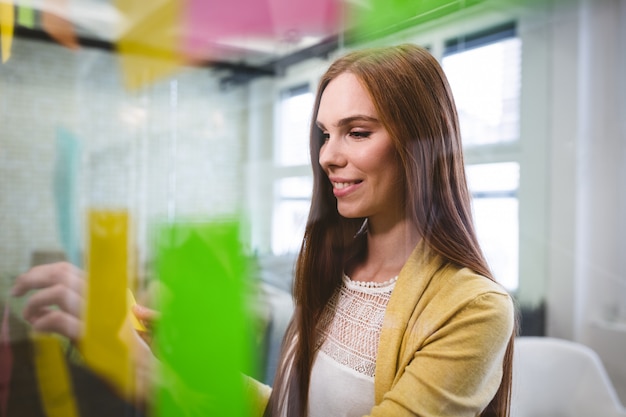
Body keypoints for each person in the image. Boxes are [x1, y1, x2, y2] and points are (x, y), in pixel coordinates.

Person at [12, 43, 516, 417]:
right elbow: (291, 408)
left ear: (422, 144)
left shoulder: (474, 309)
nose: (327, 156)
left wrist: (143, 374)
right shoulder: (333, 266)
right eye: (324, 134)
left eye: (356, 133)